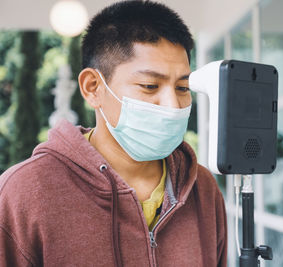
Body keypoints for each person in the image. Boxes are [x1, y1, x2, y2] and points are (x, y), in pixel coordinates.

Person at [0, 1, 227, 266]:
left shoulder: (201, 188)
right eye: (150, 85)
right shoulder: (23, 193)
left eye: (182, 88)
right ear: (93, 87)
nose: (173, 106)